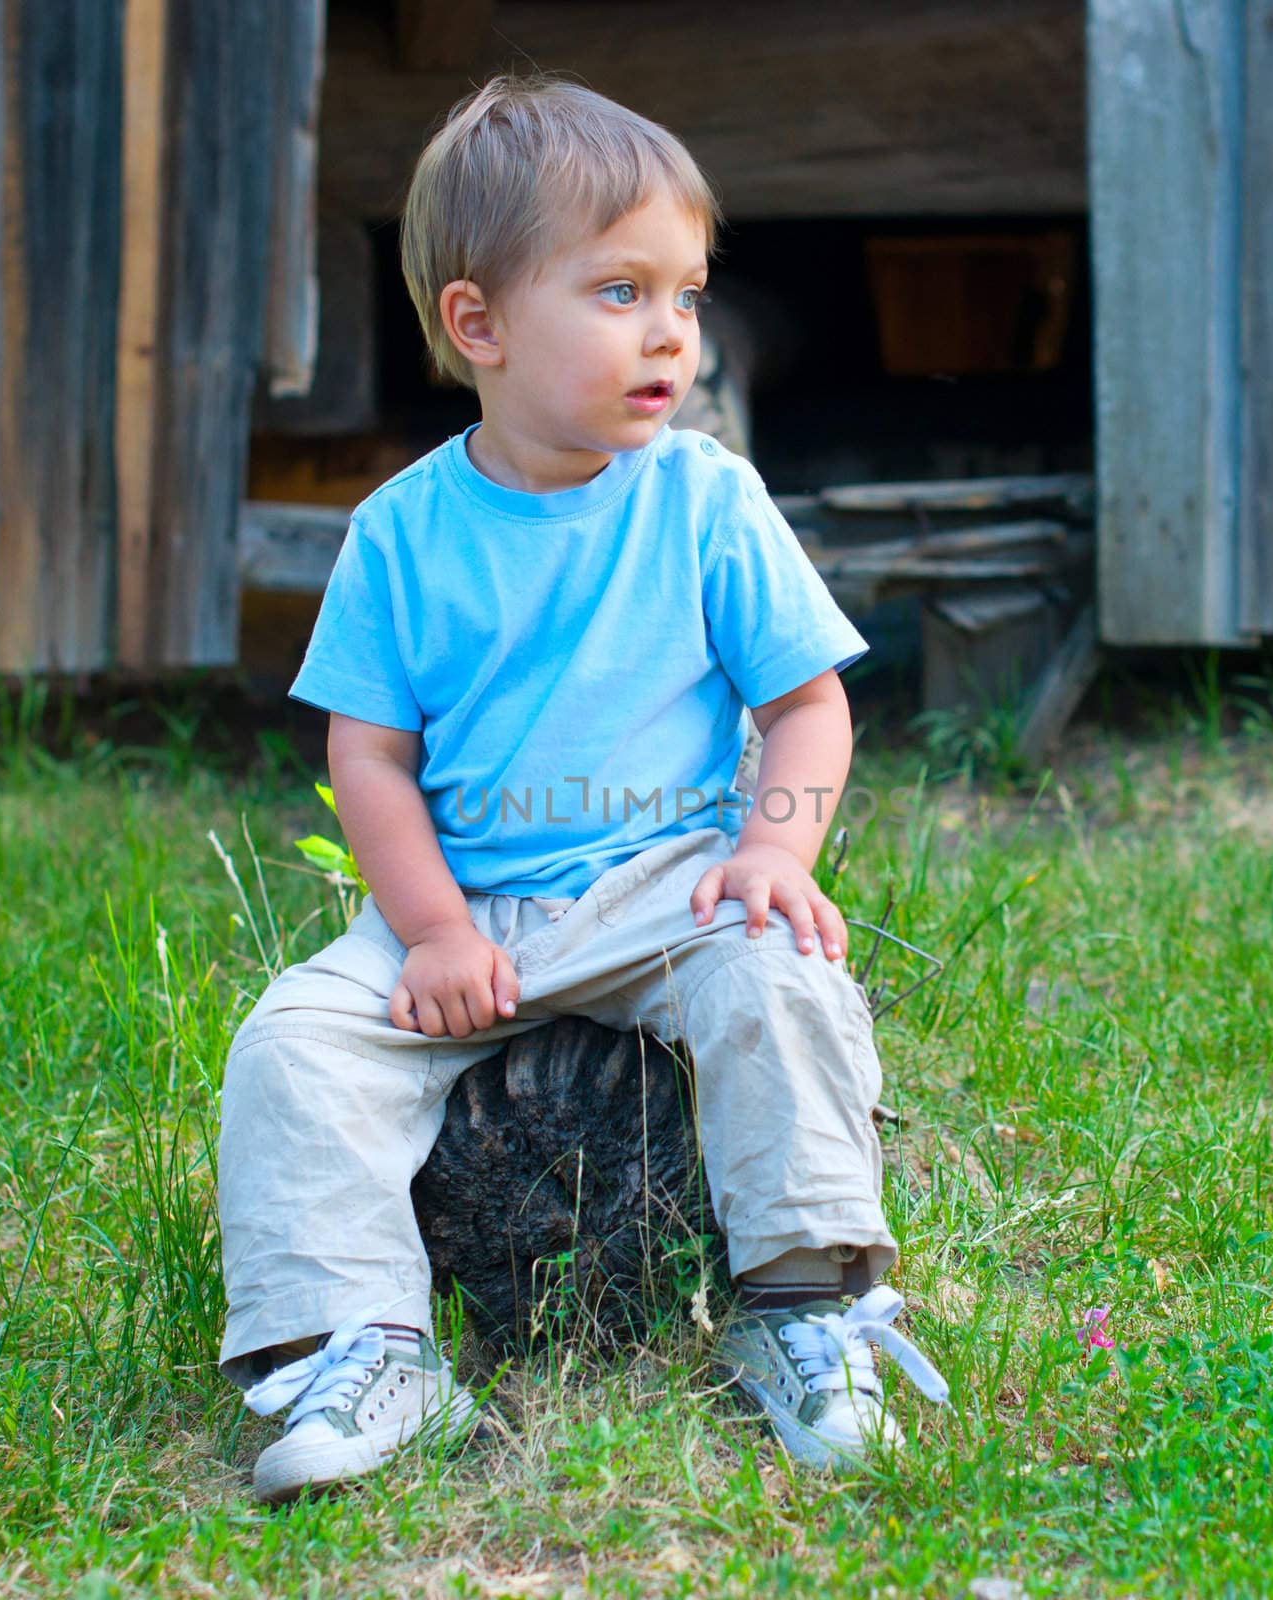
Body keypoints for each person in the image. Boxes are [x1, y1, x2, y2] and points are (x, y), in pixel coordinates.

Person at [218, 74, 946, 1504]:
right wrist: (428, 930)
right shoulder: (404, 531)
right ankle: (359, 1349)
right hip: (473, 899)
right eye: (620, 290)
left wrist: (776, 853)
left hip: (662, 888)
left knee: (780, 974)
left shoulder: (707, 500)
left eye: (687, 290)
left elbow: (806, 703)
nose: (672, 330)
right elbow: (368, 753)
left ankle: (806, 1309)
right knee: (295, 1046)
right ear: (479, 323)